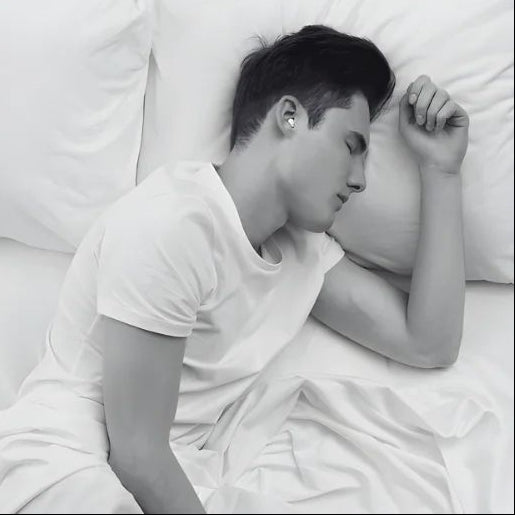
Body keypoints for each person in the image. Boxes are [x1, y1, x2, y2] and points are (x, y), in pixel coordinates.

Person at [0, 25, 468, 514]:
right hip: (69, 465)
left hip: (174, 480)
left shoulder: (303, 253)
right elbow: (137, 456)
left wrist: (442, 171)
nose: (360, 180)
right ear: (289, 116)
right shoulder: (172, 224)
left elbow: (429, 343)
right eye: (351, 146)